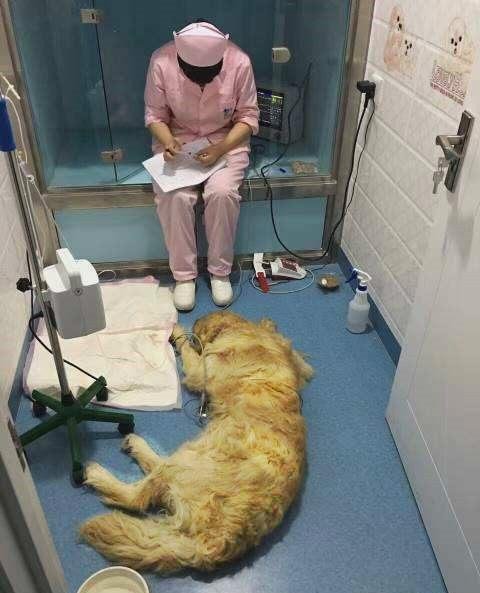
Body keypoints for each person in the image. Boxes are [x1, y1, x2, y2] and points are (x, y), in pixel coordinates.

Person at [145, 20, 259, 310]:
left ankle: (220, 272)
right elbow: (155, 115)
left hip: (225, 139)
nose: (201, 84)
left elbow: (248, 116)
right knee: (174, 195)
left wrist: (221, 147)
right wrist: (168, 142)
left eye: (208, 78)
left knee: (222, 194)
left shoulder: (240, 62)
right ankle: (184, 277)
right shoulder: (161, 61)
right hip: (178, 138)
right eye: (194, 78)